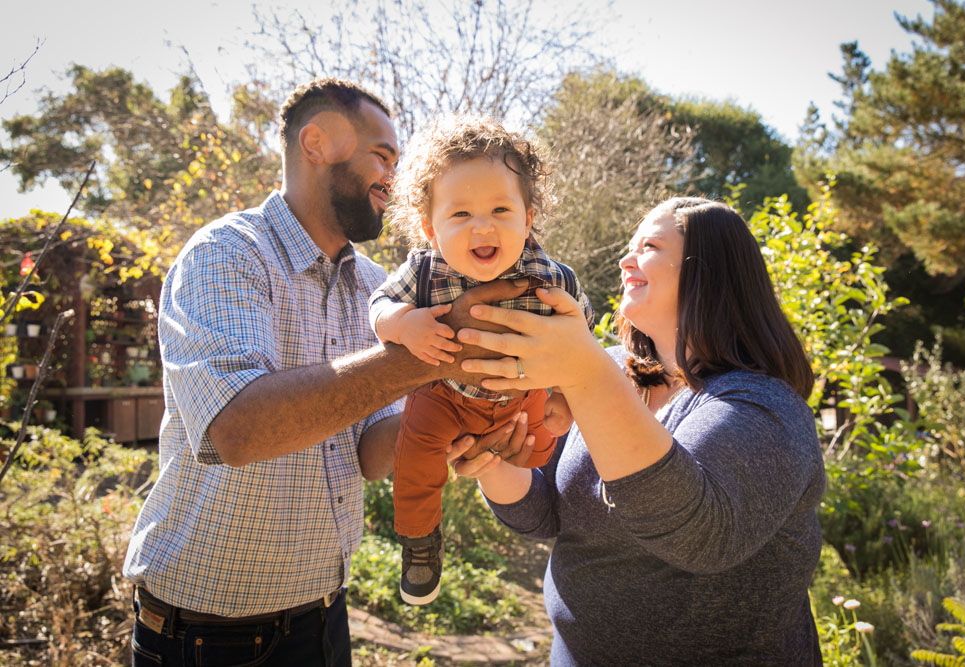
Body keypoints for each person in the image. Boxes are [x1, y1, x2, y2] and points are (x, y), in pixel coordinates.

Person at [122, 78, 524, 667]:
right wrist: (435, 352)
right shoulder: (226, 254)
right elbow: (238, 430)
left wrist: (458, 428)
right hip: (206, 638)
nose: (394, 177)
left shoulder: (373, 285)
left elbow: (369, 452)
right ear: (317, 143)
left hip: (325, 616)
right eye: (382, 156)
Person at [455, 197, 826, 665]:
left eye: (648, 245)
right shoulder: (610, 369)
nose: (625, 259)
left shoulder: (765, 407)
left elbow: (698, 534)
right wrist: (493, 461)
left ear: (708, 272)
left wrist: (583, 372)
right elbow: (545, 513)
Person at [368, 116, 593, 605]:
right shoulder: (424, 270)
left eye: (499, 209)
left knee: (536, 448)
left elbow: (582, 340)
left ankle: (537, 467)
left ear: (528, 217)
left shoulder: (552, 278)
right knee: (417, 455)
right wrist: (404, 324)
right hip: (446, 394)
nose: (482, 225)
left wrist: (563, 395)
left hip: (524, 392)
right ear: (430, 227)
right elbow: (379, 307)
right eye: (460, 214)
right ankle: (420, 541)